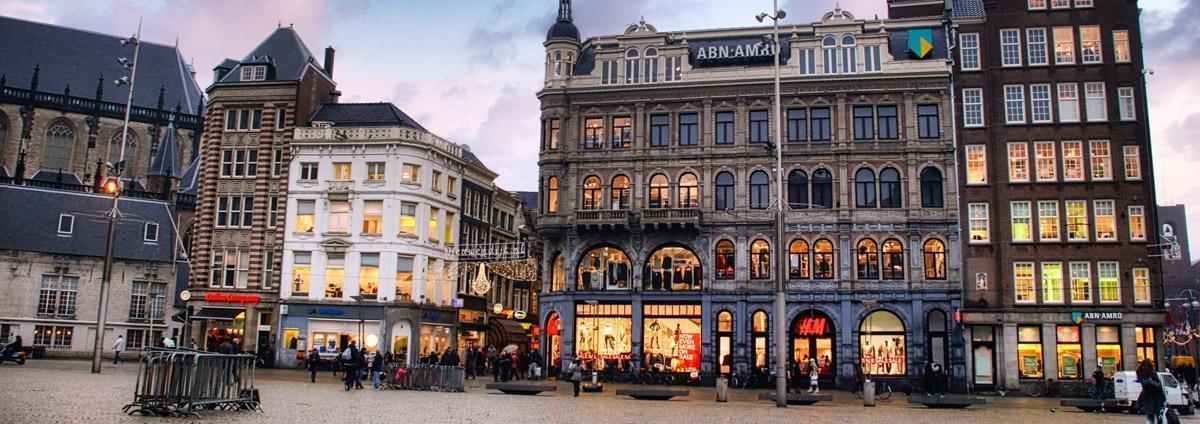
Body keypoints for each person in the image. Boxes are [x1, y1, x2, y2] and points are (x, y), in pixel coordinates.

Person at [1137, 359, 1166, 424]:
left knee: (1150, 417)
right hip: (1156, 396)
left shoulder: (1140, 373)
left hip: (1146, 396)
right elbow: (1159, 385)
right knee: (1160, 416)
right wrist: (1164, 397)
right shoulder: (1152, 373)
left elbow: (1143, 384)